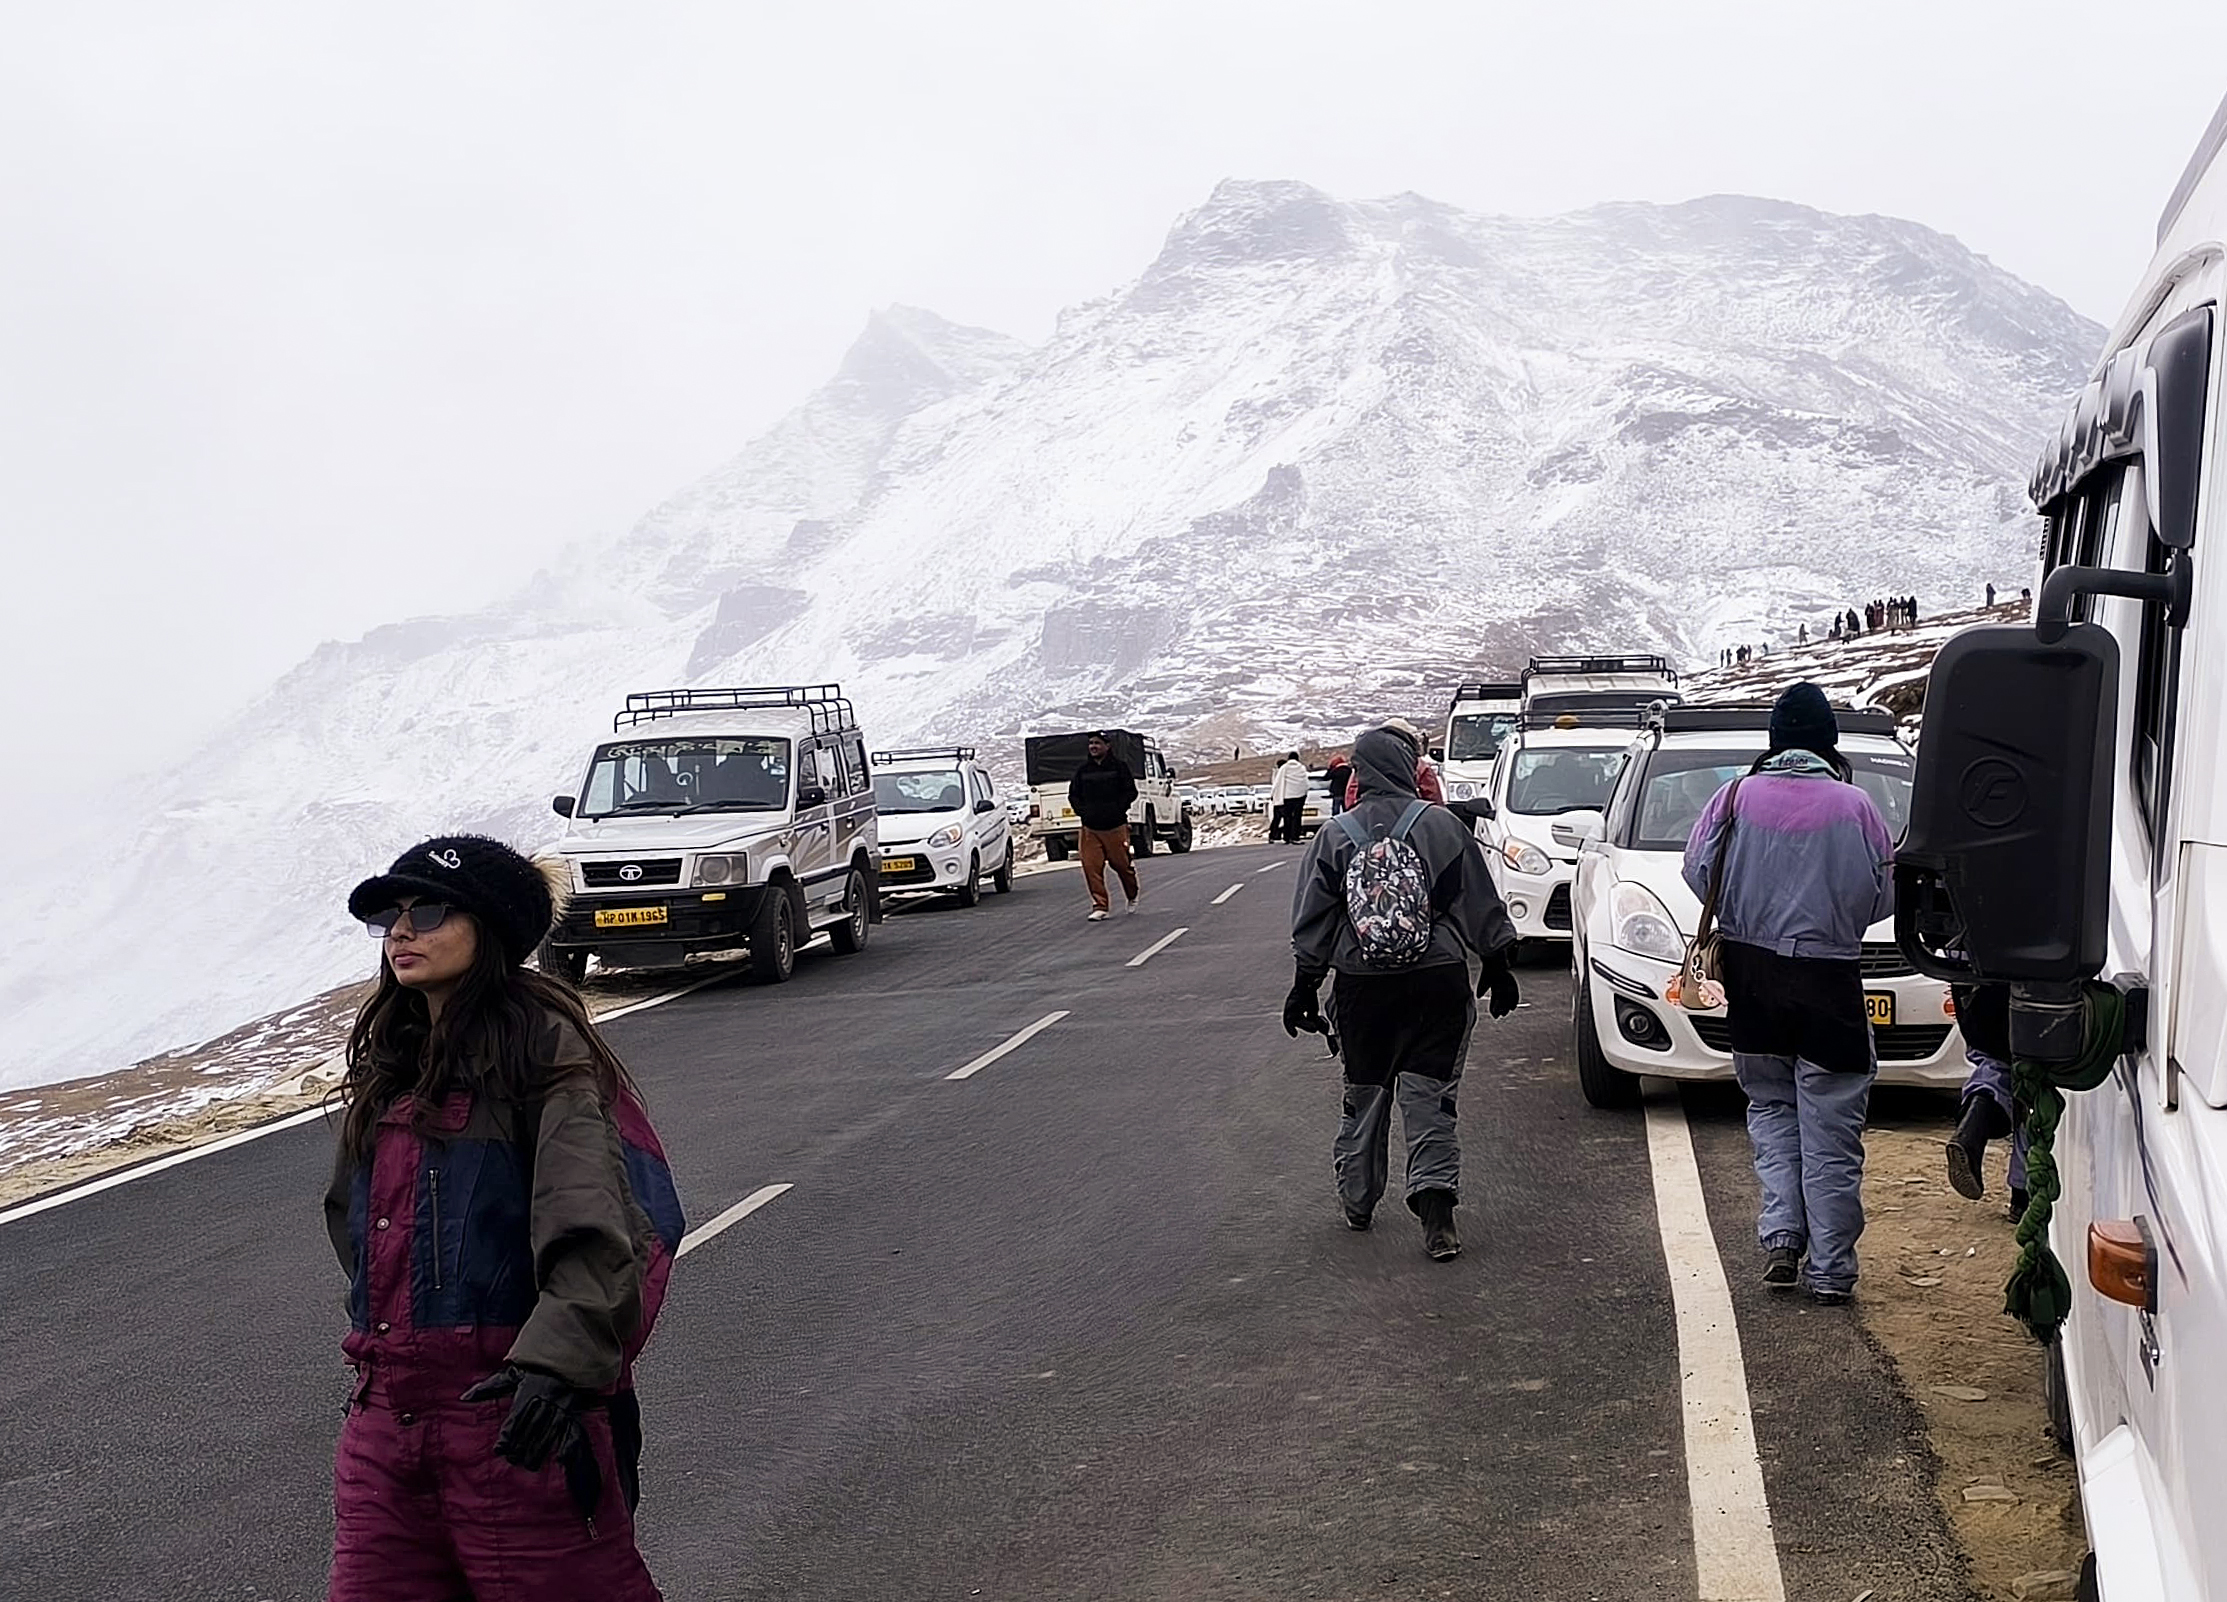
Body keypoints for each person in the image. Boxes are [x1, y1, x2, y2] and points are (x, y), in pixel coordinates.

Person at [328, 835, 683, 1601]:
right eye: (389, 915)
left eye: (427, 910)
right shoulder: (391, 1061)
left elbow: (626, 1225)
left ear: (489, 929)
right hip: (387, 1420)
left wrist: (558, 1367)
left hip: (515, 1415)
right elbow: (358, 1229)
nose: (401, 931)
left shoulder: (547, 1054)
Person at [1682, 685, 1894, 1305]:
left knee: (1772, 1110)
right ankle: (1830, 1270)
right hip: (1829, 982)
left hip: (1751, 981)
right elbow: (1883, 897)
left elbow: (1699, 874)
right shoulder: (1856, 807)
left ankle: (1781, 1237)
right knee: (1831, 1129)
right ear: (1829, 742)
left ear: (1773, 741)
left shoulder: (1733, 798)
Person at [1286, 724, 1520, 1261]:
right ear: (1407, 768)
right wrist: (1498, 964)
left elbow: (1315, 920)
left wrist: (1303, 987)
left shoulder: (1335, 836)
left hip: (1362, 987)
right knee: (1429, 1094)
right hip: (1435, 980)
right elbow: (1479, 902)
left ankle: (1358, 1200)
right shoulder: (1441, 826)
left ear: (1360, 773)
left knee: (1365, 1094)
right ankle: (1437, 1212)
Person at [1945, 982, 2028, 1217]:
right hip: (2033, 992)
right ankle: (2023, 1192)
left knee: (1993, 1063)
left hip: (1975, 995)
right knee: (2033, 1078)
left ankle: (1972, 1127)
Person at [1069, 732, 1140, 921]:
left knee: (1122, 866)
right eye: (1091, 743)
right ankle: (1100, 905)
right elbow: (1074, 795)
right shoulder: (1083, 771)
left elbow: (1131, 792)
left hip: (1115, 827)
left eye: (1097, 743)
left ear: (1107, 746)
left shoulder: (1119, 768)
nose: (1093, 746)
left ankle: (1132, 895)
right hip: (1090, 828)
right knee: (1091, 867)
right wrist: (1083, 811)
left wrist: (1118, 808)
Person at [1268, 751, 1310, 843]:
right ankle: (1295, 837)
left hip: (1287, 797)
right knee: (1297, 817)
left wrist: (1275, 795)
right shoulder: (1301, 768)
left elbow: (1278, 782)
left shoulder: (1284, 768)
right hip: (1300, 796)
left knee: (1288, 817)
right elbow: (1305, 783)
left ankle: (1287, 837)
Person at [1323, 752, 1352, 816]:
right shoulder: (1349, 770)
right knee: (1346, 809)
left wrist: (1330, 768)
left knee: (1336, 810)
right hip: (1346, 792)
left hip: (1337, 792)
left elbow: (1326, 778)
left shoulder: (1335, 770)